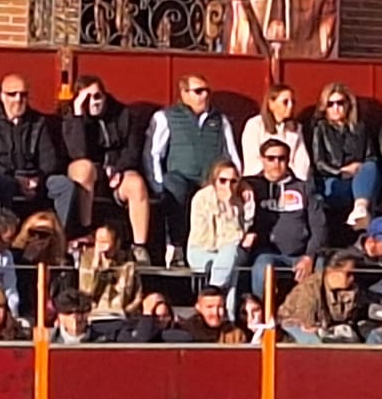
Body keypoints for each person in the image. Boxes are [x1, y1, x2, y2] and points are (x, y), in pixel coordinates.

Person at [146, 75, 239, 260]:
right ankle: (176, 249)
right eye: (198, 91)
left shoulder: (220, 120)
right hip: (180, 180)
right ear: (184, 93)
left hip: (210, 181)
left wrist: (238, 182)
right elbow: (153, 154)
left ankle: (216, 253)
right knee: (174, 189)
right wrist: (158, 185)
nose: (204, 96)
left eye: (207, 91)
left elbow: (231, 154)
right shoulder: (166, 117)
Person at [63, 75, 154, 259]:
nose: (94, 102)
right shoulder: (71, 120)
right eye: (87, 98)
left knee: (136, 184)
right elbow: (78, 153)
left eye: (97, 96)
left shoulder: (123, 114)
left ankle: (139, 247)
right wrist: (79, 115)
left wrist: (119, 170)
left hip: (118, 170)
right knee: (84, 168)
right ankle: (85, 230)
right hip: (90, 173)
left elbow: (133, 149)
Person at [0, 74, 75, 230]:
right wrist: (16, 179)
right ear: (2, 96)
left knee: (64, 185)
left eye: (23, 94)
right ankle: (6, 233)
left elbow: (49, 159)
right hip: (6, 176)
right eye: (12, 94)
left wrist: (37, 179)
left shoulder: (37, 121)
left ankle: (60, 235)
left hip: (35, 177)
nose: (18, 99)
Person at [246, 136, 326, 300]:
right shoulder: (251, 186)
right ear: (262, 159)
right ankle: (261, 311)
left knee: (321, 268)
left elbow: (319, 226)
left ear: (288, 160)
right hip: (267, 253)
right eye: (271, 158)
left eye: (281, 158)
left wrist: (309, 256)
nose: (276, 163)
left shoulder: (304, 187)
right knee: (262, 268)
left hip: (301, 254)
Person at [309, 82, 379, 229]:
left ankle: (360, 208)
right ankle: (361, 210)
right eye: (330, 104)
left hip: (359, 178)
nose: (336, 108)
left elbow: (371, 156)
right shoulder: (320, 128)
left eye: (340, 103)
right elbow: (319, 162)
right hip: (333, 179)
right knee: (362, 190)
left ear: (348, 105)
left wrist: (358, 167)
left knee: (370, 167)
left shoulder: (359, 127)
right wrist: (341, 171)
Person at [186, 158, 253, 297]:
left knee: (230, 256)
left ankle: (213, 293)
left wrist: (232, 204)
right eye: (223, 180)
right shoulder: (201, 198)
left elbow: (243, 229)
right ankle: (218, 294)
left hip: (230, 254)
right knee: (230, 263)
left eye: (233, 181)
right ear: (214, 181)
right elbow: (208, 240)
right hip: (202, 250)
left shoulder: (240, 200)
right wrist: (228, 209)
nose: (228, 186)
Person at [240, 83, 310, 180]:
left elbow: (302, 160)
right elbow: (252, 158)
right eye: (285, 102)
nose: (290, 106)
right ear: (271, 104)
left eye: (293, 102)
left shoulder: (296, 128)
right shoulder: (254, 125)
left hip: (289, 179)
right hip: (260, 179)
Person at [179, 283, 248, 344]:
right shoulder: (185, 331)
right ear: (198, 308)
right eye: (210, 307)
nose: (215, 313)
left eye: (220, 307)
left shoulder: (235, 334)